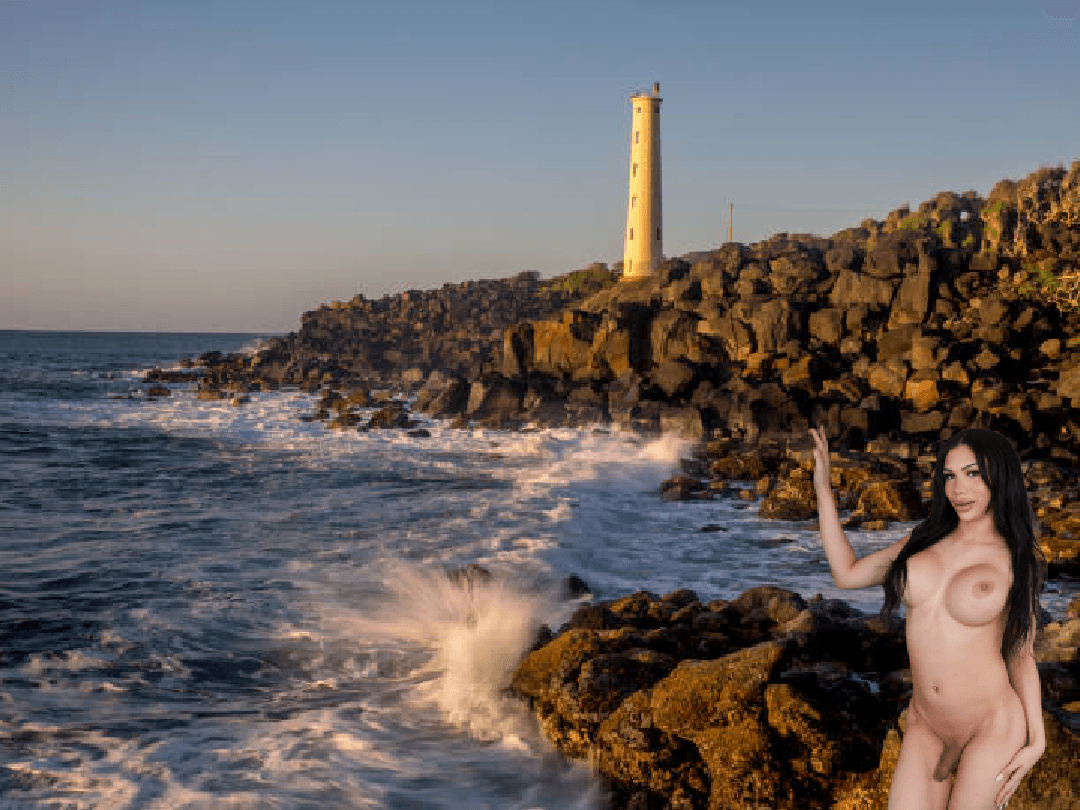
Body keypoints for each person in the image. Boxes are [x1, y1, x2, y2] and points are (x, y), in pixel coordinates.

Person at [810, 426, 1045, 810]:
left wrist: (1037, 740)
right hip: (925, 724)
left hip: (991, 725)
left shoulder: (1017, 555)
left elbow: (1020, 651)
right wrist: (823, 487)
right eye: (949, 476)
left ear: (999, 476)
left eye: (972, 473)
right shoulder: (924, 537)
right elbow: (847, 574)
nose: (958, 489)